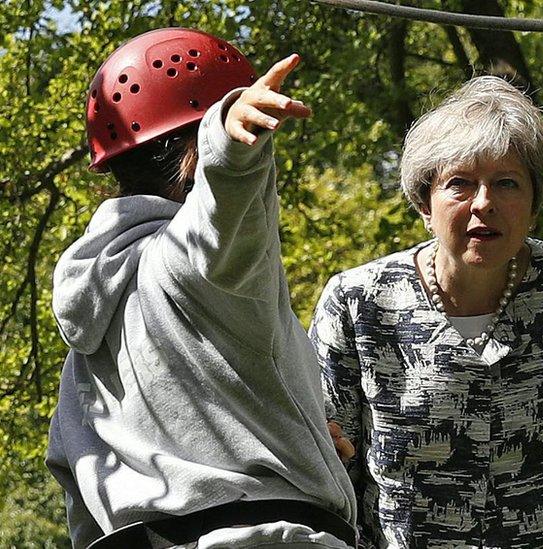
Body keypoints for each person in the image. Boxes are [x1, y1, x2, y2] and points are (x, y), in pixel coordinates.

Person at [46, 28, 357, 548]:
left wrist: (295, 437)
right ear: (195, 150)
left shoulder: (85, 356)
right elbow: (222, 209)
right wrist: (230, 141)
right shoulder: (194, 265)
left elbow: (78, 478)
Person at [308, 75, 543, 547]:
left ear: (535, 201)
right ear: (425, 203)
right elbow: (327, 477)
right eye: (459, 184)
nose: (484, 204)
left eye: (506, 183)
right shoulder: (359, 302)